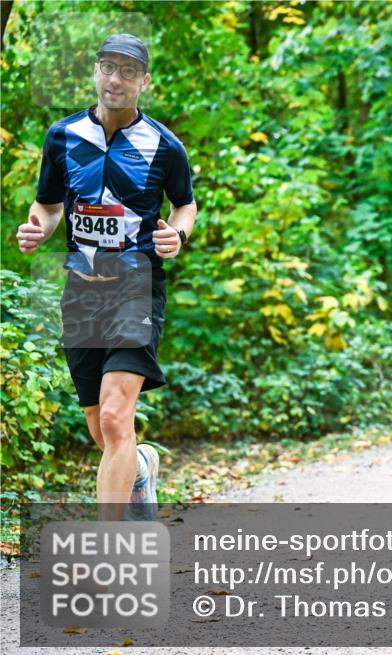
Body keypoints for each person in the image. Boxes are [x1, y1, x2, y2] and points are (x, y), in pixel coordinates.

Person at [16, 34, 197, 519]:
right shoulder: (63, 136)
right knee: (101, 428)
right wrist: (38, 229)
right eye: (108, 67)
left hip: (137, 285)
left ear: (144, 81)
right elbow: (48, 205)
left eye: (128, 71)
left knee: (117, 417)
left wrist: (177, 236)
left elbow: (185, 205)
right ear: (96, 71)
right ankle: (141, 466)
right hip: (82, 289)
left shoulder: (165, 145)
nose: (116, 78)